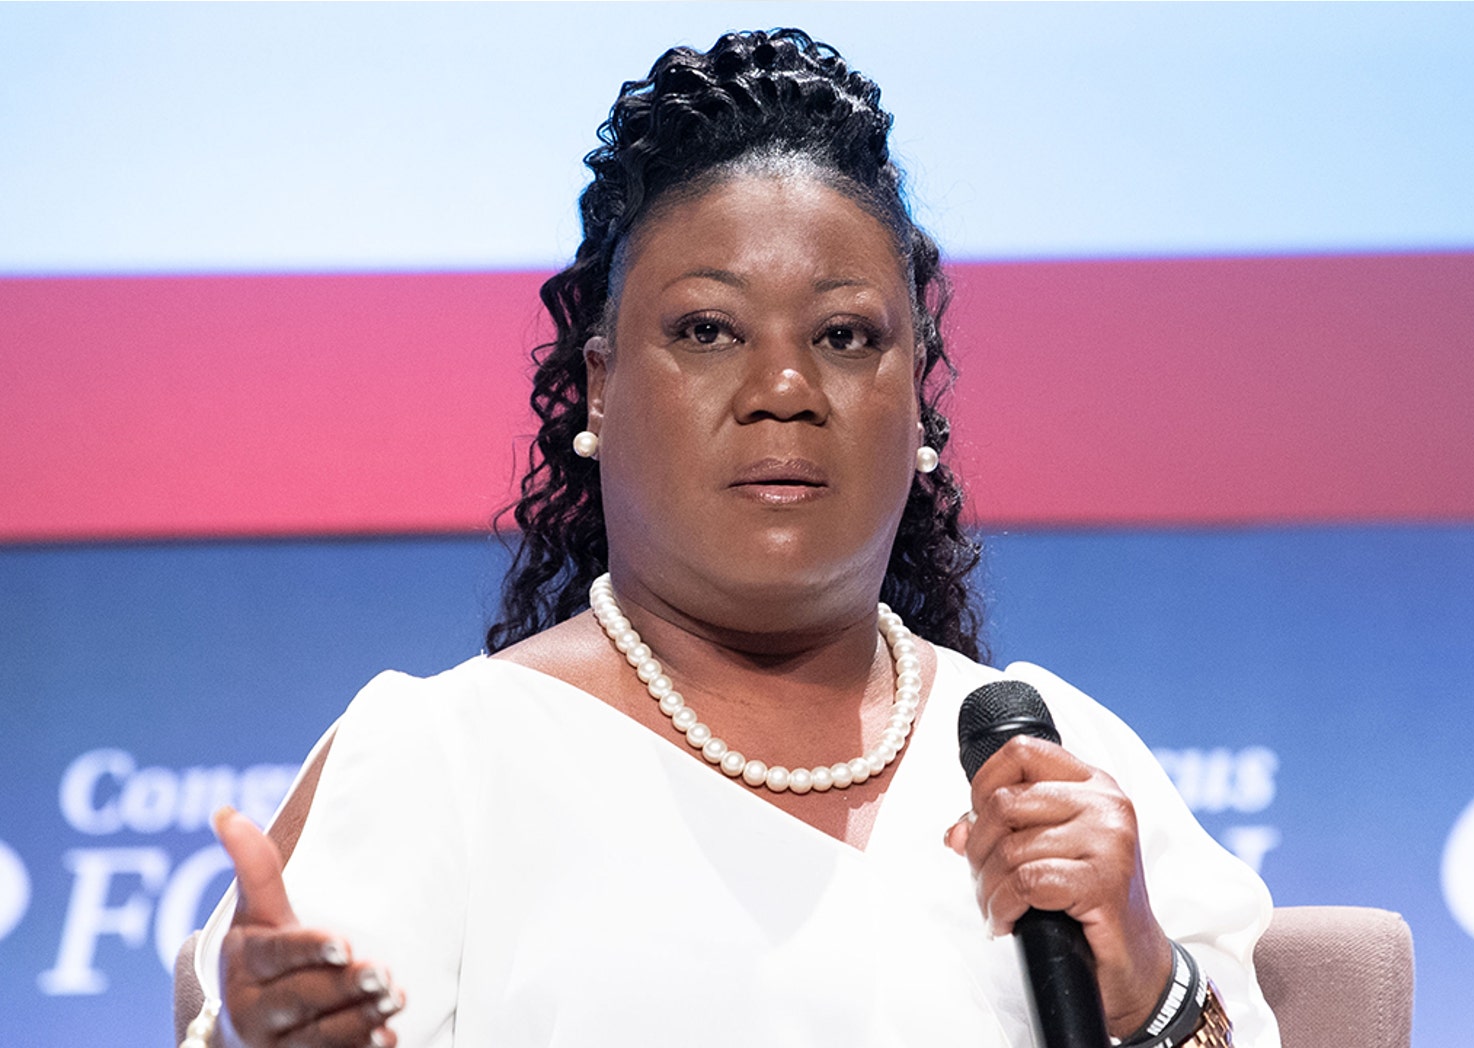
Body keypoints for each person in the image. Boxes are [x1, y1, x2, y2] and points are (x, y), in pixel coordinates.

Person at [184, 28, 1278, 1048]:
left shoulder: (1056, 763)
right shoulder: (445, 756)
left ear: (919, 406)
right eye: (708, 330)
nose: (784, 388)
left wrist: (1143, 978)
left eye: (844, 335)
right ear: (599, 391)